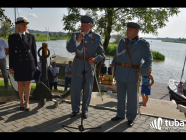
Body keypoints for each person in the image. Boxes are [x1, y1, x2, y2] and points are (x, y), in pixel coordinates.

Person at [111, 22, 153, 127]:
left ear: (137, 31)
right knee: (120, 97)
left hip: (132, 75)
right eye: (128, 29)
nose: (128, 31)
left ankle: (130, 118)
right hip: (120, 73)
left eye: (131, 29)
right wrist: (112, 70)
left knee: (132, 98)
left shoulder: (142, 43)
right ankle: (120, 114)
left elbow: (149, 60)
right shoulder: (121, 41)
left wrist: (142, 71)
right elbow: (116, 57)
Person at [66, 15, 105, 119]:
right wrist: (77, 41)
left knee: (87, 90)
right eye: (82, 25)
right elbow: (69, 49)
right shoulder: (75, 35)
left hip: (89, 66)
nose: (83, 28)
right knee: (75, 89)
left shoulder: (96, 37)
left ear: (91, 26)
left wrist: (95, 59)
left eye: (85, 26)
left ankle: (85, 110)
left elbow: (102, 53)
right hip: (77, 65)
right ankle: (75, 109)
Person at [8, 17, 39, 111]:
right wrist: (11, 66)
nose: (25, 26)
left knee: (28, 83)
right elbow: (11, 53)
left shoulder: (31, 36)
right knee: (20, 84)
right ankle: (21, 101)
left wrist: (36, 65)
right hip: (18, 63)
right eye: (23, 24)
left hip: (29, 63)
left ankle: (27, 102)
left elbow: (34, 51)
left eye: (26, 24)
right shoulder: (12, 37)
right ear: (18, 25)